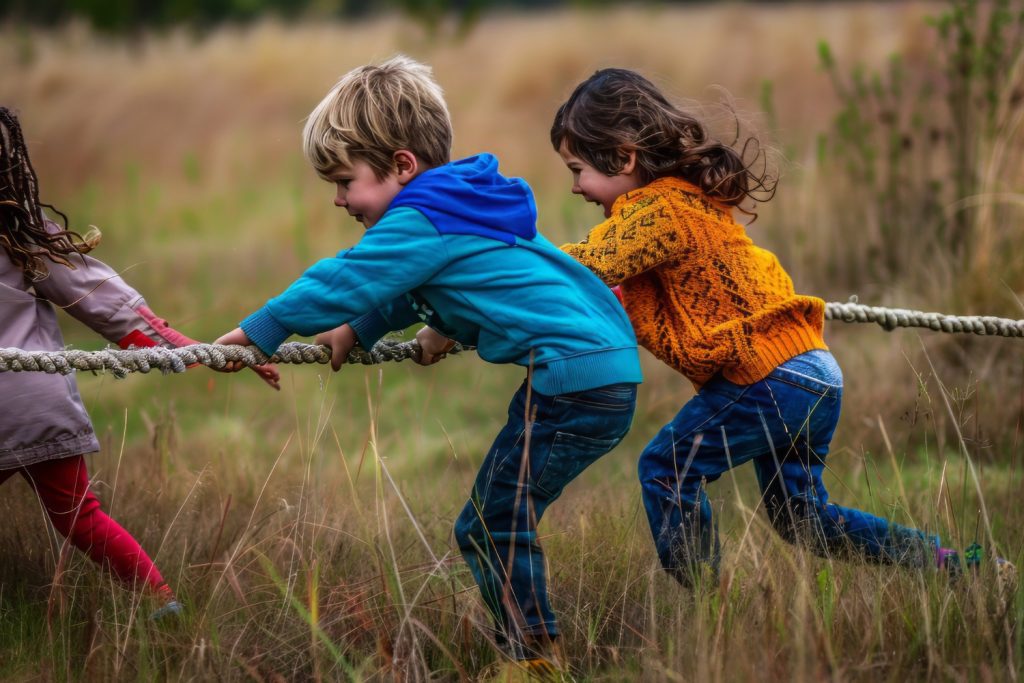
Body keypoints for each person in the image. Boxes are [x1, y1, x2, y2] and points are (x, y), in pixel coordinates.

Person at [214, 55, 642, 675]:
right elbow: (460, 282)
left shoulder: (423, 216)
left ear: (402, 166)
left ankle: (535, 660)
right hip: (598, 370)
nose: (338, 200)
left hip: (576, 379)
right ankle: (533, 651)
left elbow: (351, 277)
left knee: (492, 524)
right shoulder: (462, 203)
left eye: (345, 181)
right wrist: (377, 327)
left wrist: (264, 330)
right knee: (497, 517)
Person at [549, 68, 1000, 587]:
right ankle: (958, 568)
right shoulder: (688, 205)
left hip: (770, 375)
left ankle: (709, 609)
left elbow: (583, 265)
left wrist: (501, 265)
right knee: (805, 520)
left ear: (624, 157)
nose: (577, 187)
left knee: (666, 469)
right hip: (813, 372)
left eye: (578, 169)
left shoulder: (658, 209)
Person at [0, 107, 277, 621]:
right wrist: (184, 346)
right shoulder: (16, 229)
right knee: (81, 517)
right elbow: (96, 297)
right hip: (35, 399)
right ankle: (161, 601)